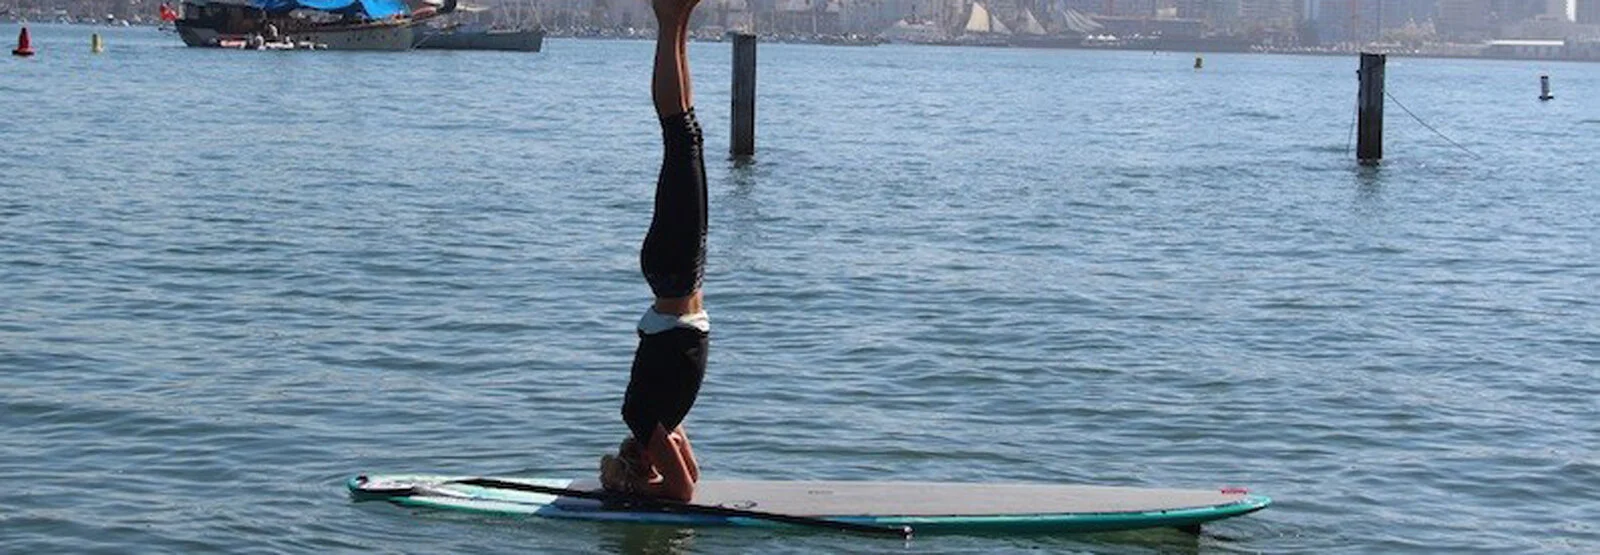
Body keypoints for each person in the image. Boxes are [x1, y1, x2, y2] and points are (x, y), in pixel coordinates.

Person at [597, 0, 707, 502]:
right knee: (688, 136)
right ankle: (677, 18)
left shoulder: (640, 416)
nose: (662, 460)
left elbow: (681, 491)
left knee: (678, 138)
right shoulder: (662, 421)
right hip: (680, 276)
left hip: (672, 271)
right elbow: (691, 478)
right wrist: (652, 473)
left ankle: (668, 20)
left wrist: (639, 493)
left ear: (643, 462)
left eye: (651, 465)